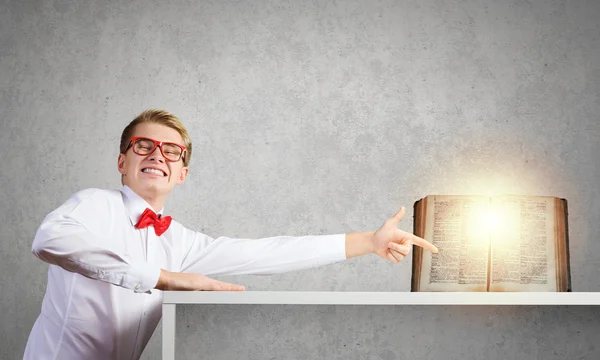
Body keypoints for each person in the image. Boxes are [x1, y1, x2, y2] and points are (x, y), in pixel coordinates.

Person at [23, 109, 438, 360]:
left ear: (182, 173)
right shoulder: (94, 204)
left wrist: (368, 242)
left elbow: (265, 254)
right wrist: (164, 278)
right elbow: (49, 240)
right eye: (143, 145)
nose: (157, 155)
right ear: (122, 161)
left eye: (171, 151)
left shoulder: (178, 242)